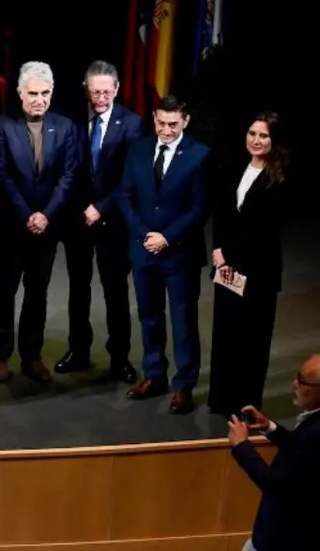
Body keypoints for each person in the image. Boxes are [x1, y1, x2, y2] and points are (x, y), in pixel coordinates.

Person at [0, 62, 78, 383]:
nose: (40, 99)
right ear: (20, 93)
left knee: (38, 292)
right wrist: (27, 214)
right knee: (4, 291)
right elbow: (0, 174)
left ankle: (32, 355)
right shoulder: (0, 125)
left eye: (45, 93)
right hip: (10, 225)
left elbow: (68, 175)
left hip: (47, 226)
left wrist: (46, 215)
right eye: (33, 93)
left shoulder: (65, 127)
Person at [118, 95, 211, 414]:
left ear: (185, 122)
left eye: (173, 124)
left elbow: (200, 209)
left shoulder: (199, 155)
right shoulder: (139, 149)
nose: (166, 130)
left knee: (183, 322)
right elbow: (125, 196)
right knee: (149, 316)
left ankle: (184, 385)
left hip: (179, 255)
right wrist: (145, 235)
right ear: (154, 118)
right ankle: (154, 375)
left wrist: (167, 238)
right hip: (144, 251)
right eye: (160, 123)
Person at [56, 61, 143, 383]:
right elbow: (67, 170)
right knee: (78, 289)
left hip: (113, 221)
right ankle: (78, 351)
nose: (101, 98)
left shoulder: (133, 125)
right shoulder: (71, 122)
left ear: (117, 89)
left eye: (107, 91)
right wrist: (83, 207)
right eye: (96, 92)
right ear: (86, 89)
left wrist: (101, 208)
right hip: (77, 219)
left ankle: (119, 359)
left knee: (115, 290)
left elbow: (130, 177)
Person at [209, 111, 289, 416]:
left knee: (252, 341)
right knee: (225, 333)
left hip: (258, 271)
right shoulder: (235, 166)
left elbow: (264, 229)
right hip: (226, 267)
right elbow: (221, 213)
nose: (256, 140)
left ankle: (246, 405)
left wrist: (228, 254)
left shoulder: (280, 176)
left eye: (264, 135)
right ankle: (221, 399)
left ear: (275, 140)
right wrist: (218, 252)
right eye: (252, 133)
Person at [228, 354, 320, 551]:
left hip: (283, 536)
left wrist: (242, 446)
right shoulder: (313, 427)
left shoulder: (315, 431)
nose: (294, 383)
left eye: (303, 381)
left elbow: (275, 484)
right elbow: (302, 453)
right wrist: (269, 427)